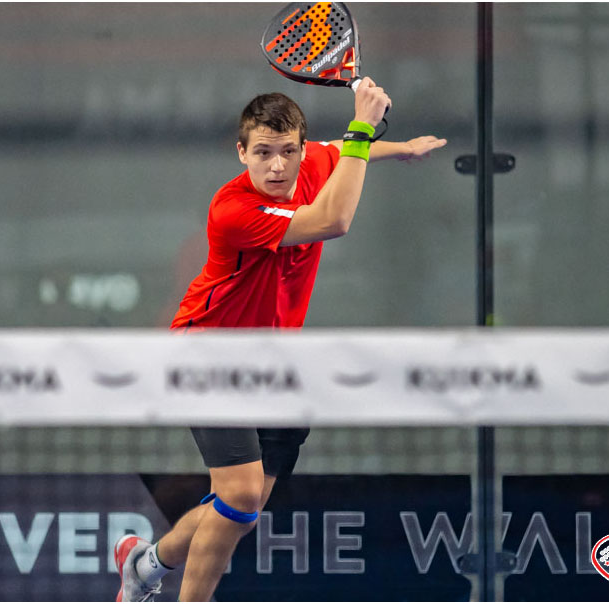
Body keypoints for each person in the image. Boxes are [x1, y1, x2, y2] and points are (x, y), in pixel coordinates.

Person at [115, 77, 446, 602]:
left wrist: (400, 148)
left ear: (299, 150)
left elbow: (335, 150)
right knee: (240, 497)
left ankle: (145, 564)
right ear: (241, 152)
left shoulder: (312, 161)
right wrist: (363, 126)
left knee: (239, 509)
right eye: (263, 152)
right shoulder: (233, 211)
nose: (276, 166)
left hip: (276, 362)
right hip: (208, 355)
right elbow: (334, 219)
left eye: (288, 152)